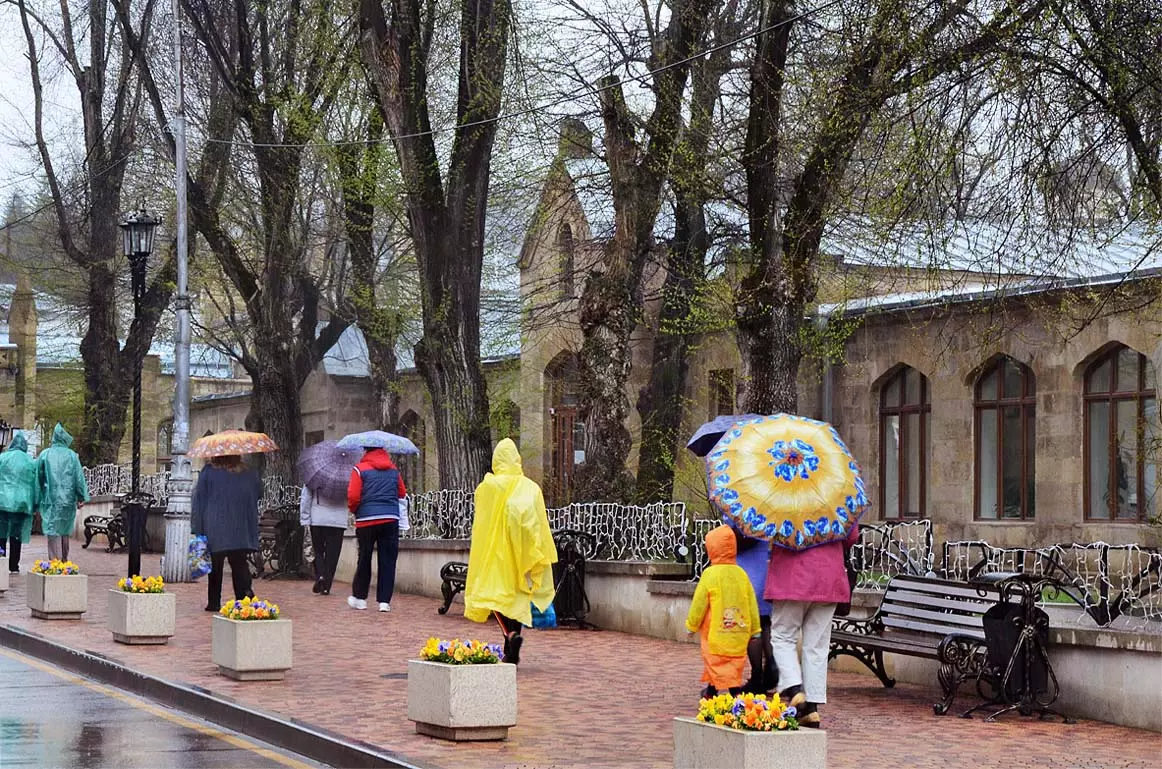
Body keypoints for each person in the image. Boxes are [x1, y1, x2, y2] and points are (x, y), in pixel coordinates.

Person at [464, 439, 557, 664]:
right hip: (524, 553)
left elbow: (481, 522)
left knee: (495, 597)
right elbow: (539, 523)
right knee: (518, 598)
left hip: (496, 554)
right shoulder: (531, 488)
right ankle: (511, 642)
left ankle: (510, 635)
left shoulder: (488, 487)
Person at [764, 521, 860, 728]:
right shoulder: (836, 501)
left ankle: (794, 689)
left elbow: (767, 530)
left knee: (782, 636)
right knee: (817, 645)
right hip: (828, 575)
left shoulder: (783, 502)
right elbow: (852, 536)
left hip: (791, 575)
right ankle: (811, 708)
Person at [685, 525, 761, 699]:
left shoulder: (710, 574)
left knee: (715, 661)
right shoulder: (741, 574)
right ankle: (715, 690)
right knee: (733, 663)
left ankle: (729, 692)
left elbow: (699, 603)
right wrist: (755, 629)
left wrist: (692, 625)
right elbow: (751, 603)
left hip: (716, 632)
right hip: (739, 633)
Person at [191, 454, 261, 611]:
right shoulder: (249, 473)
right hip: (240, 527)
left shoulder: (208, 472)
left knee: (215, 567)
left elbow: (199, 500)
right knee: (239, 563)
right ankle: (244, 597)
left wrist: (197, 527)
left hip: (214, 526)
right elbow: (259, 493)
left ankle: (214, 602)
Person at [346, 445, 407, 612]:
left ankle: (360, 598)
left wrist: (355, 509)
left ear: (366, 451)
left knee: (364, 558)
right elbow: (402, 492)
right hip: (390, 518)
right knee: (388, 560)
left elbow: (353, 496)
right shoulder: (394, 470)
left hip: (366, 519)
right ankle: (384, 602)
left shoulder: (359, 469)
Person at [37, 423, 89, 562]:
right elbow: (78, 478)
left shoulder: (45, 454)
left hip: (50, 499)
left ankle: (55, 562)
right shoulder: (72, 456)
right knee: (64, 528)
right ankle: (64, 560)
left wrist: (38, 496)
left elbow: (38, 478)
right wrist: (81, 496)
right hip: (67, 498)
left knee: (52, 529)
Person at [734, 531, 777, 694]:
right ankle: (772, 665)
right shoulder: (768, 517)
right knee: (765, 621)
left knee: (753, 626)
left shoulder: (742, 516)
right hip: (766, 565)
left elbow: (736, 539)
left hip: (747, 569)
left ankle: (757, 676)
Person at [0, 432, 39, 573]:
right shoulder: (30, 461)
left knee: (1, 532)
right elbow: (36, 484)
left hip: (2, 501)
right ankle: (13, 566)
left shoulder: (2, 458)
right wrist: (35, 504)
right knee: (16, 535)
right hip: (22, 503)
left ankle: (1, 560)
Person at [299, 485, 348, 595]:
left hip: (318, 519)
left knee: (318, 551)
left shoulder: (314, 477)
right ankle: (326, 586)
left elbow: (306, 497)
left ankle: (320, 575)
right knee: (333, 555)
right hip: (338, 521)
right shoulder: (345, 479)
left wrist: (305, 518)